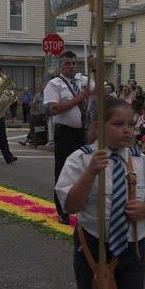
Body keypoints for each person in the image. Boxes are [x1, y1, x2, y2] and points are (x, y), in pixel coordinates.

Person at [55, 98, 145, 289]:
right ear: (99, 126)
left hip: (133, 247)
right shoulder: (80, 159)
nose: (127, 130)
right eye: (118, 124)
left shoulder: (141, 161)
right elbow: (70, 206)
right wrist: (89, 174)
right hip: (93, 245)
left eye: (131, 124)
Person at [43, 51, 92, 224]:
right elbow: (54, 108)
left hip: (81, 133)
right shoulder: (54, 84)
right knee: (63, 171)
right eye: (67, 64)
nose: (71, 66)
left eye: (74, 63)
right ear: (61, 66)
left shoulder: (82, 80)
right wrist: (78, 99)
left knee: (83, 171)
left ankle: (81, 207)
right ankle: (62, 210)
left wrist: (94, 68)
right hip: (64, 133)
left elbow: (103, 88)